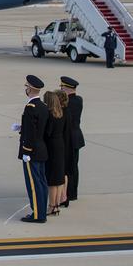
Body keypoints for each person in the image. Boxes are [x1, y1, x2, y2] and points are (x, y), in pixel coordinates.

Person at [14, 75, 49, 223]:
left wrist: (26, 151)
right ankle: (41, 211)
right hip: (41, 149)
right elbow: (37, 129)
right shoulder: (42, 106)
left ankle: (37, 215)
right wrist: (21, 128)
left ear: (30, 89)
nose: (26, 89)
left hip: (32, 151)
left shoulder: (30, 108)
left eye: (26, 87)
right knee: (41, 182)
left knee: (34, 184)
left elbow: (31, 133)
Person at [43, 90, 67, 217]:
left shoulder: (49, 115)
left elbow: (48, 133)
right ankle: (57, 205)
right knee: (58, 179)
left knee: (52, 180)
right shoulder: (61, 113)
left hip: (52, 147)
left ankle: (52, 206)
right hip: (60, 145)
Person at [61, 76, 84, 204]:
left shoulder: (65, 103)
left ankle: (67, 194)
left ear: (67, 88)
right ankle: (73, 193)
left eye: (62, 87)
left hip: (67, 138)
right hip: (76, 137)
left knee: (66, 168)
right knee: (74, 166)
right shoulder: (79, 100)